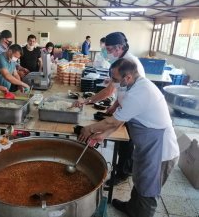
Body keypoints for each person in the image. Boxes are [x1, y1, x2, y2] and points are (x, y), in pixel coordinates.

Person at [78, 58, 179, 217]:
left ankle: (142, 213)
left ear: (128, 77)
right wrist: (104, 135)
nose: (113, 82)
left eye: (116, 79)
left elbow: (114, 120)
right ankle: (132, 209)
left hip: (161, 150)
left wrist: (88, 129)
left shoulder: (140, 93)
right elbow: (123, 118)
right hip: (147, 144)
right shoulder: (134, 86)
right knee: (139, 178)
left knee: (148, 190)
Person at [74, 32, 146, 185]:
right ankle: (123, 169)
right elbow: (122, 90)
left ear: (119, 47)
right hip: (125, 106)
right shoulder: (122, 60)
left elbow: (109, 91)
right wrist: (114, 105)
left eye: (109, 49)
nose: (107, 53)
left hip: (134, 112)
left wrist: (87, 101)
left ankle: (123, 173)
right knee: (121, 141)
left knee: (126, 142)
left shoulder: (128, 62)